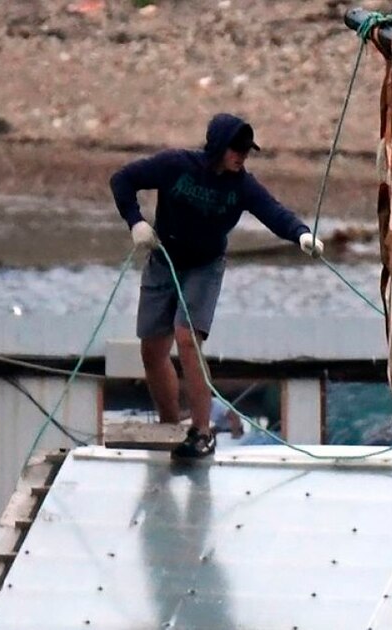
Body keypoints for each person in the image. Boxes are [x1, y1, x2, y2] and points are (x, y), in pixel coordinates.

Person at [110, 113, 324, 460]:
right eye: (236, 149)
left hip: (205, 268)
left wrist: (301, 235)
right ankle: (170, 425)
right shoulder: (175, 165)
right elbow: (122, 179)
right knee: (152, 350)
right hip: (164, 260)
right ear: (218, 147)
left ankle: (202, 431)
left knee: (187, 339)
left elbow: (273, 212)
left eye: (247, 151)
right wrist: (136, 222)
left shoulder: (243, 186)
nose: (242, 156)